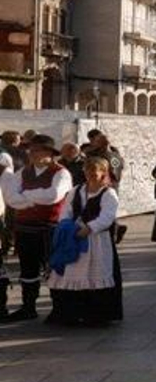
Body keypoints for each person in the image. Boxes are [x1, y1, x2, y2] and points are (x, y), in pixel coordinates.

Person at [0, 135, 72, 324]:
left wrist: (25, 196)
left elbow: (53, 196)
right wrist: (30, 199)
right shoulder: (23, 172)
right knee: (27, 269)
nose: (31, 154)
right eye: (30, 150)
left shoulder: (61, 173)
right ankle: (28, 307)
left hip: (49, 227)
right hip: (24, 228)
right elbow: (9, 197)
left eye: (35, 150)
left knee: (54, 267)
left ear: (48, 153)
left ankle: (60, 309)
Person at [43, 156, 122, 327]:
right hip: (74, 238)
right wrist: (67, 225)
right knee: (71, 273)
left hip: (97, 240)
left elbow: (108, 216)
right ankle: (71, 314)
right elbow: (66, 210)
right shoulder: (76, 191)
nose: (91, 174)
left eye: (95, 171)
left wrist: (90, 227)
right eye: (88, 171)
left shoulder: (108, 193)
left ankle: (95, 316)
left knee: (95, 275)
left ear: (103, 173)